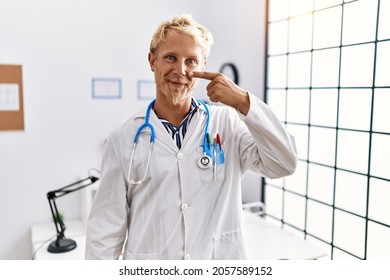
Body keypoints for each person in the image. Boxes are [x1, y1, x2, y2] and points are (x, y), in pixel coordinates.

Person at [85, 14, 297, 260]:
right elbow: (105, 229)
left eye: (191, 61)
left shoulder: (227, 124)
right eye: (170, 58)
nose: (181, 70)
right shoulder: (124, 138)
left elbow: (284, 163)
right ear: (152, 60)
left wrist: (243, 101)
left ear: (203, 65)